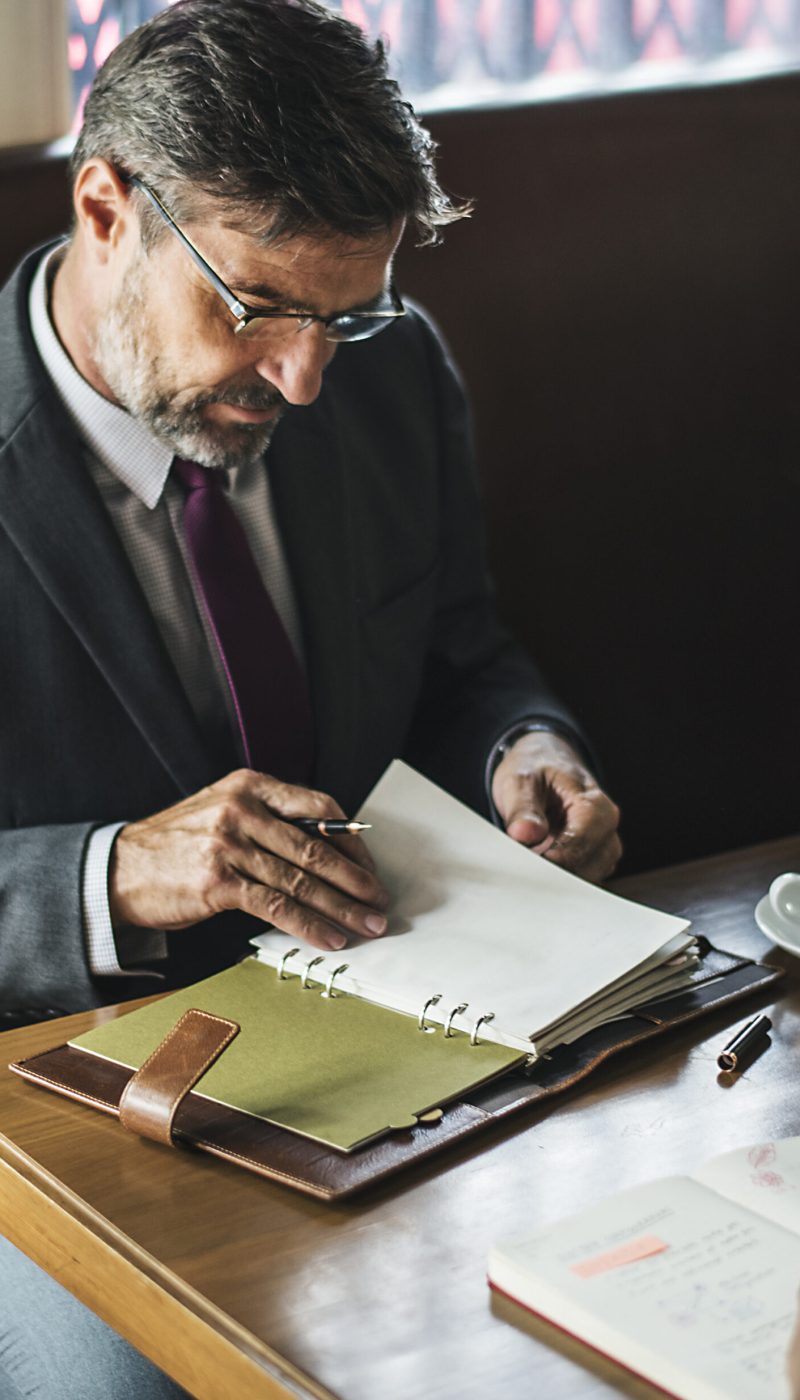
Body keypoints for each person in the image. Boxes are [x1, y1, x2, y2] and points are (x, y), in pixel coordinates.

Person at [0, 2, 619, 1390]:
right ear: (107, 207)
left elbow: (462, 656)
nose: (305, 375)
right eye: (258, 305)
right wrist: (114, 876)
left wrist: (524, 749)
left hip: (403, 1035)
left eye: (350, 310)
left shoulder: (386, 377)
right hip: (48, 1113)